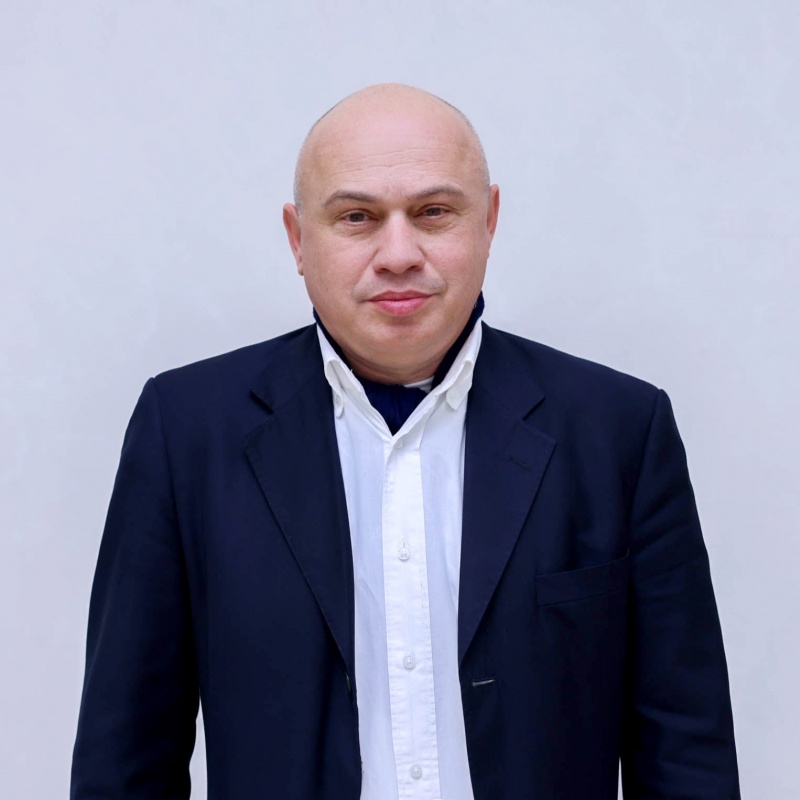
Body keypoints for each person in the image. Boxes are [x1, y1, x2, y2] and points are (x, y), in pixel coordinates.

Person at [71, 84, 740, 799]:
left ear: (489, 222)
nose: (398, 254)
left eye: (434, 212)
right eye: (357, 217)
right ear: (299, 239)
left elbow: (686, 752)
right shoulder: (187, 431)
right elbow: (126, 760)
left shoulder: (617, 429)